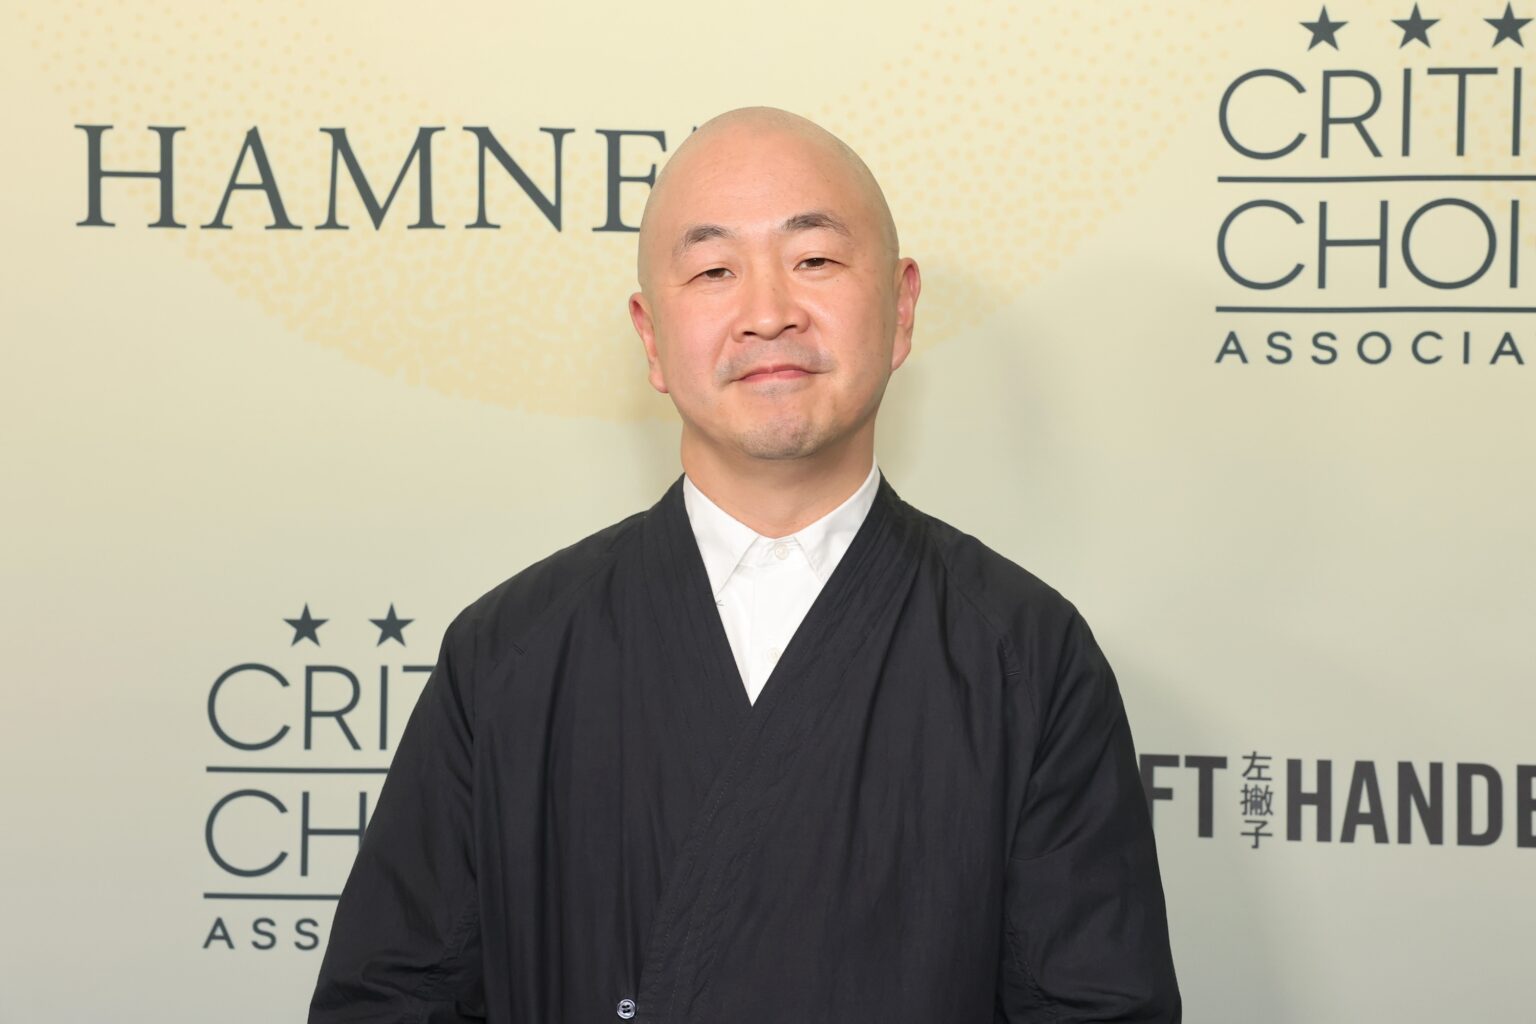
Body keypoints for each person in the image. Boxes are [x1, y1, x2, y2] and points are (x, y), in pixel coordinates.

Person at [308, 106, 1180, 1023]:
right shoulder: (511, 654)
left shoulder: (1027, 657)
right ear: (651, 339)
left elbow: (1097, 1009)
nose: (768, 313)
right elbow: (391, 997)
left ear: (901, 307)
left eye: (814, 260)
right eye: (714, 271)